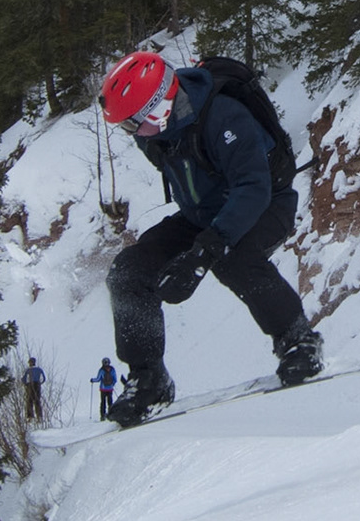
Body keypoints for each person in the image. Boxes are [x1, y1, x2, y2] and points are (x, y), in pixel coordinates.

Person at [97, 50, 323, 425]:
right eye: (125, 126)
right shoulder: (153, 132)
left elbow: (253, 186)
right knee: (128, 272)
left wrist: (206, 250)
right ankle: (149, 379)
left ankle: (298, 340)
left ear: (159, 105)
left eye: (133, 123)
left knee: (234, 259)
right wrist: (200, 240)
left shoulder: (223, 117)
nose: (132, 133)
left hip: (265, 202)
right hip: (202, 214)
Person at [22, 356, 46, 422]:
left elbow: (23, 379)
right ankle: (39, 416)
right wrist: (40, 383)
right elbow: (44, 378)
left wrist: (26, 384)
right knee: (37, 401)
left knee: (29, 401)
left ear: (30, 363)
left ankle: (30, 417)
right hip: (37, 385)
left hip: (30, 385)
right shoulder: (39, 369)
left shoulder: (28, 370)